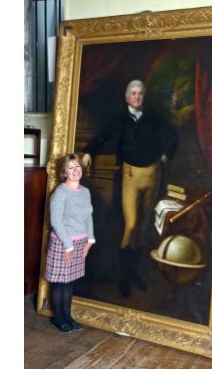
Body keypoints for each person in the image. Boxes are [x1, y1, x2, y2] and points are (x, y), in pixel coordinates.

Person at [82, 79, 177, 297]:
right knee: (131, 224)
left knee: (143, 227)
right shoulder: (120, 118)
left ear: (143, 96)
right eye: (133, 93)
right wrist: (88, 152)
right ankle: (124, 277)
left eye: (140, 93)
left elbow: (172, 134)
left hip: (153, 175)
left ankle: (134, 274)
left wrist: (165, 154)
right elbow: (103, 135)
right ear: (127, 97)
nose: (137, 96)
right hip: (130, 176)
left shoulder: (153, 116)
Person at [44, 153, 95, 333]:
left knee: (70, 281)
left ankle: (67, 316)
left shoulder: (85, 192)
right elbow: (56, 221)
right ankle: (58, 319)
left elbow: (88, 216)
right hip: (63, 244)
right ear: (64, 172)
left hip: (80, 242)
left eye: (78, 167)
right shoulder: (60, 192)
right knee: (59, 282)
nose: (75, 171)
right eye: (71, 168)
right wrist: (68, 245)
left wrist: (90, 240)